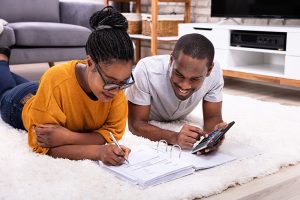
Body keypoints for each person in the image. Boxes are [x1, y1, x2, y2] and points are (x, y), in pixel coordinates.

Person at [0, 7, 134, 166]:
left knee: (29, 83)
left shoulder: (114, 86)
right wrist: (97, 151)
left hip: (46, 94)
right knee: (5, 91)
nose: (117, 91)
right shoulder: (56, 79)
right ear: (90, 63)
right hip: (20, 104)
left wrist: (68, 137)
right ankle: (2, 59)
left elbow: (110, 134)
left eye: (123, 82)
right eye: (110, 81)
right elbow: (45, 145)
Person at [126, 33, 228, 152]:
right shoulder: (146, 69)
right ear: (171, 60)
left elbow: (212, 117)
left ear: (209, 70)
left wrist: (213, 136)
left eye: (195, 79)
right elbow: (136, 124)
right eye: (179, 74)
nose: (184, 85)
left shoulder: (215, 73)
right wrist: (174, 137)